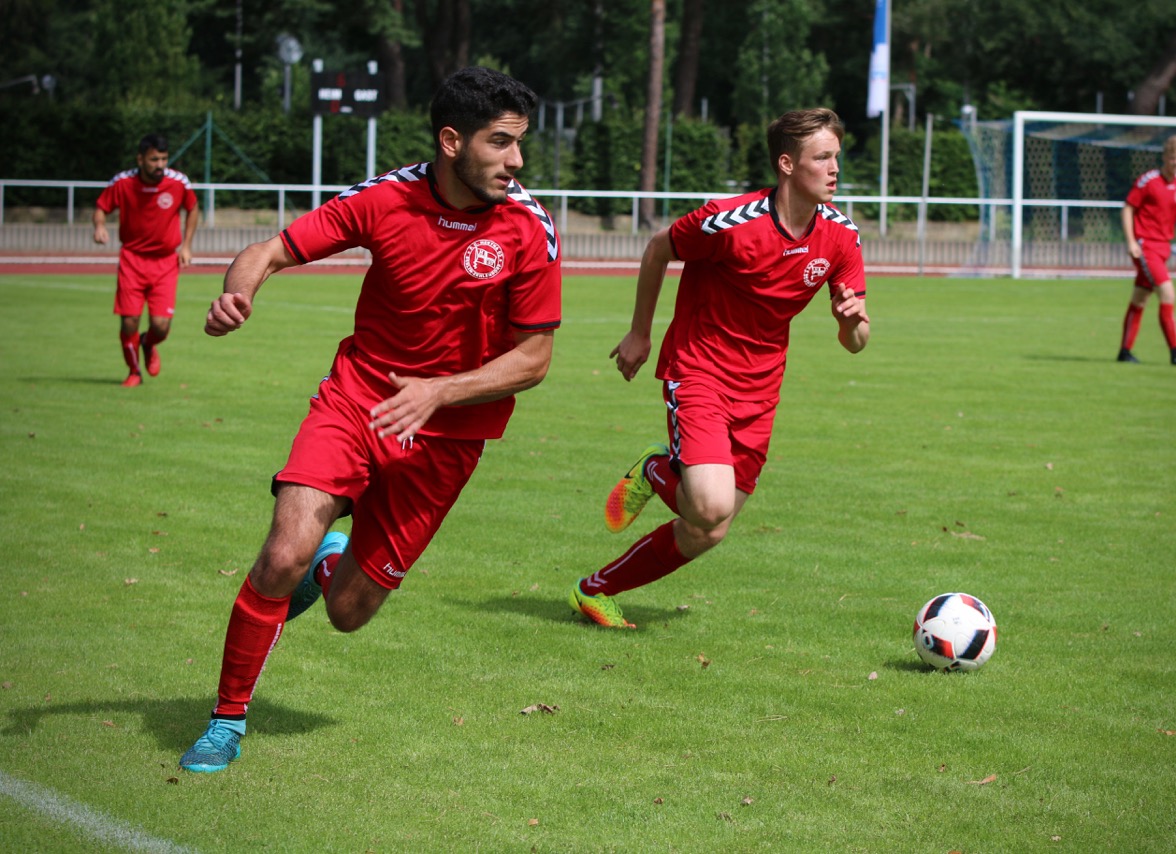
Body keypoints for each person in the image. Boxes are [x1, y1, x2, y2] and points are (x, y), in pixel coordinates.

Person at [179, 66, 561, 773]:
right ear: (452, 141)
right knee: (281, 550)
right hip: (357, 401)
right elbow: (268, 251)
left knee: (349, 612)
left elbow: (534, 359)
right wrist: (239, 294)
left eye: (519, 144)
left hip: (449, 440)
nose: (517, 161)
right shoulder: (385, 199)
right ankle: (226, 720)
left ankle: (332, 566)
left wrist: (438, 393)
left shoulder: (528, 229)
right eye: (502, 143)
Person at [569, 108, 870, 630]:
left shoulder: (841, 236)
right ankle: (658, 470)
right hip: (699, 371)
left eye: (836, 157)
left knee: (710, 528)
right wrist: (640, 332)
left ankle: (595, 590)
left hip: (761, 390)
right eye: (822, 157)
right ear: (786, 164)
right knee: (708, 506)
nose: (834, 168)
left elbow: (857, 343)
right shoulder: (729, 222)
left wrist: (852, 322)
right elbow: (659, 247)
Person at [93, 133, 200, 387]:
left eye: (164, 158)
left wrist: (186, 245)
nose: (160, 164)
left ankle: (148, 343)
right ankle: (133, 372)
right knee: (129, 320)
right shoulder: (122, 182)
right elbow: (101, 207)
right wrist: (99, 225)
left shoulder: (178, 182)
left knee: (161, 326)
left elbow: (193, 208)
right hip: (132, 260)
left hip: (165, 262)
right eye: (154, 159)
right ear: (140, 159)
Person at [1116, 135, 1176, 367]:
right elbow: (1128, 208)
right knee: (1168, 294)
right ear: (1164, 158)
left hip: (1162, 248)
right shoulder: (1148, 181)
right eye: (1172, 158)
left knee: (1139, 299)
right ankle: (1175, 352)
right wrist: (1131, 241)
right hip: (1145, 246)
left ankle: (1124, 351)